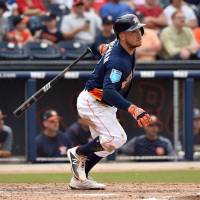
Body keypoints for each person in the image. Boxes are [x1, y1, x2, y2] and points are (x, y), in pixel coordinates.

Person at [67, 13, 152, 190]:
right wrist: (133, 109)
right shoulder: (118, 61)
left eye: (139, 30)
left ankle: (79, 179)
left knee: (107, 144)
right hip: (93, 101)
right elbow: (109, 92)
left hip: (102, 104)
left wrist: (103, 47)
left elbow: (109, 46)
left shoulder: (121, 45)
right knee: (116, 137)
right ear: (122, 35)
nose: (139, 34)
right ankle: (78, 153)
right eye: (133, 31)